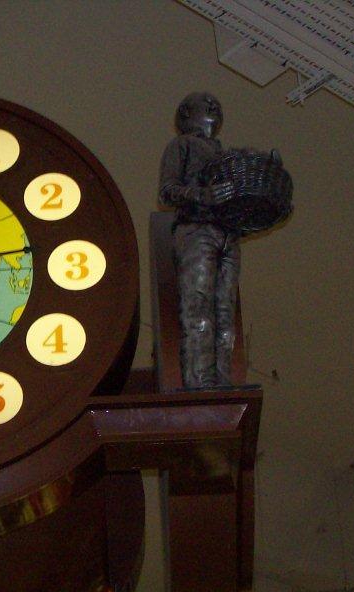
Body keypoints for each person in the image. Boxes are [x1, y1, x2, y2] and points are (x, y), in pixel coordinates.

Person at [158, 92, 239, 389]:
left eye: (215, 105)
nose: (213, 108)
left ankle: (223, 382)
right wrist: (200, 195)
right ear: (187, 114)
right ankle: (200, 385)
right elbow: (167, 191)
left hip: (226, 232)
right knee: (199, 308)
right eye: (206, 105)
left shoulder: (224, 153)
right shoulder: (181, 145)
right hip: (196, 229)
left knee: (225, 314)